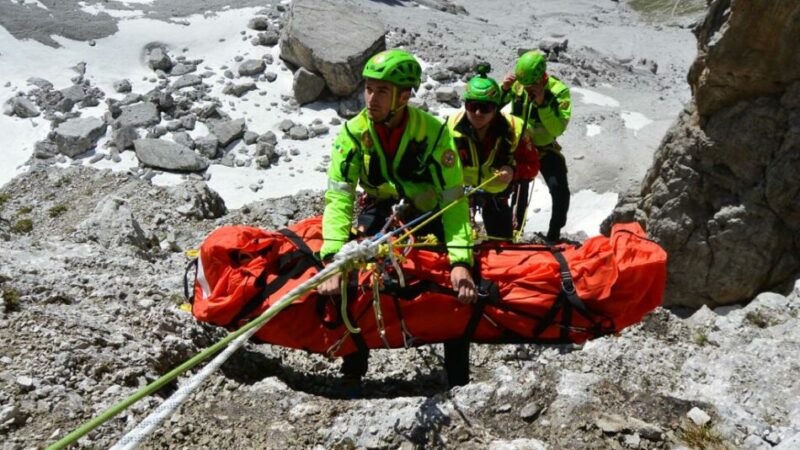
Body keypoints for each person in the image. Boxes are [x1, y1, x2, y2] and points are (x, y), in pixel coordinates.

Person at [317, 49, 477, 394]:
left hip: (427, 215)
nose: (371, 99)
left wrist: (461, 260)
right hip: (379, 210)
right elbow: (339, 198)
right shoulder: (353, 134)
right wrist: (333, 259)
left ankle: (458, 378)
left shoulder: (433, 134)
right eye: (368, 89)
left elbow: (453, 202)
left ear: (403, 97)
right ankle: (353, 370)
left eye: (382, 91)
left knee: (450, 286)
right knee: (353, 279)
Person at [446, 67, 538, 240]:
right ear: (465, 105)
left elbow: (531, 164)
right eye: (472, 106)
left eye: (485, 108)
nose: (478, 113)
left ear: (495, 108)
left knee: (502, 243)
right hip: (460, 193)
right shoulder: (451, 126)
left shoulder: (515, 129)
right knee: (452, 239)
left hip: (497, 196)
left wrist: (513, 172)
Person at [501, 50, 572, 243]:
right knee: (515, 189)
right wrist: (504, 89)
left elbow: (557, 128)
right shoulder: (518, 85)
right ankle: (511, 231)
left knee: (560, 191)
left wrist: (543, 104)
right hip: (519, 145)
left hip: (544, 148)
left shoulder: (559, 92)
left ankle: (554, 234)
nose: (525, 88)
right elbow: (494, 106)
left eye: (529, 86)